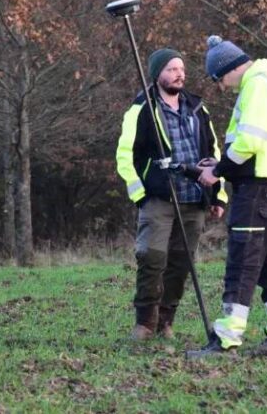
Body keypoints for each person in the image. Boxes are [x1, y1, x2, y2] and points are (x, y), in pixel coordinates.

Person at [190, 36, 267, 361]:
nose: (222, 87)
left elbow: (249, 141)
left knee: (242, 263)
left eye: (219, 79)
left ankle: (226, 340)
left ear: (230, 68)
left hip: (256, 189)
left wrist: (218, 170)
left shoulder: (257, 86)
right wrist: (223, 166)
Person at [116, 48, 227, 341]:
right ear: (157, 75)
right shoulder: (141, 109)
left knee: (181, 263)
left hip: (194, 197)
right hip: (158, 198)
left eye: (181, 68)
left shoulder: (197, 108)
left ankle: (166, 322)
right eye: (171, 69)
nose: (179, 74)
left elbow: (213, 153)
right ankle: (145, 324)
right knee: (151, 257)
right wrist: (140, 194)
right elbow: (125, 156)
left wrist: (217, 195)